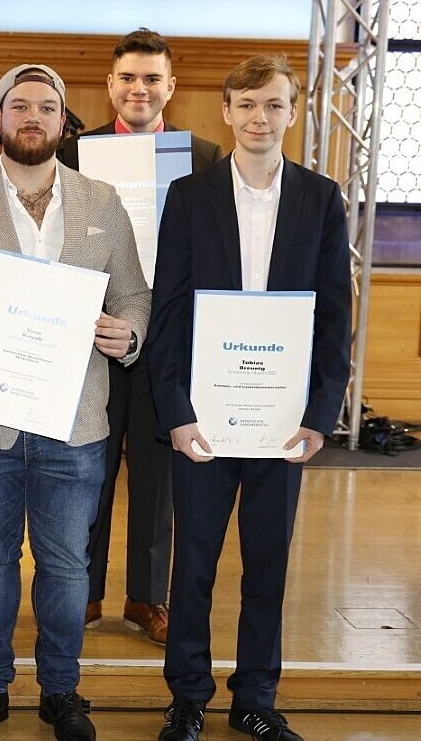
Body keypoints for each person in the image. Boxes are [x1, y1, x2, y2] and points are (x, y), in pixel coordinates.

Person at [0, 64, 150, 741]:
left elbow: (133, 294)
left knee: (67, 566)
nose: (32, 116)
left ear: (64, 121)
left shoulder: (102, 201)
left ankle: (62, 690)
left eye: (46, 106)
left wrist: (129, 333)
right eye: (19, 106)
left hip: (75, 425)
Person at [148, 55, 351, 741]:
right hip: (205, 418)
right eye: (247, 105)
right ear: (226, 111)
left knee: (268, 564)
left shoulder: (321, 199)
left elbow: (336, 317)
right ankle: (187, 698)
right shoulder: (189, 196)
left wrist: (320, 415)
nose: (259, 118)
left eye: (273, 105)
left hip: (282, 421)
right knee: (193, 566)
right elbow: (168, 312)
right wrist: (176, 412)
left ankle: (255, 698)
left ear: (293, 112)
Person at [58, 28, 223, 645]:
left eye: (152, 78)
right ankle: (82, 590)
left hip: (167, 338)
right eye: (128, 77)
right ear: (110, 85)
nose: (139, 88)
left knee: (158, 479)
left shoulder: (203, 156)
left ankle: (147, 598)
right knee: (86, 469)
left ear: (171, 87)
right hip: (91, 334)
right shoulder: (75, 154)